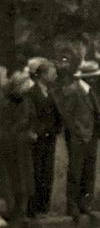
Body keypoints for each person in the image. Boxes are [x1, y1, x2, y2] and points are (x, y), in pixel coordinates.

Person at [57, 59, 100, 221]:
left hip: (91, 136)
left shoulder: (90, 91)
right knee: (76, 172)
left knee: (88, 172)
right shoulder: (73, 91)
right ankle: (73, 205)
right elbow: (68, 116)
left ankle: (85, 204)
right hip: (79, 137)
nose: (96, 78)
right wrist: (76, 134)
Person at [0, 65, 37, 226]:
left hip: (22, 147)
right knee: (12, 181)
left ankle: (21, 212)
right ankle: (13, 212)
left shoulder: (26, 102)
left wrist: (31, 131)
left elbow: (32, 119)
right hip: (10, 147)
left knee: (24, 181)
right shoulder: (6, 104)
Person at [26, 57, 60, 217]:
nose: (54, 75)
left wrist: (55, 130)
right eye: (50, 72)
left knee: (47, 172)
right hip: (38, 138)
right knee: (36, 171)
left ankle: (44, 206)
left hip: (49, 137)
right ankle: (34, 207)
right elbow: (30, 115)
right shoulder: (31, 93)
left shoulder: (50, 93)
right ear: (41, 75)